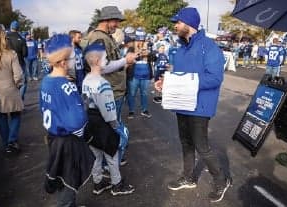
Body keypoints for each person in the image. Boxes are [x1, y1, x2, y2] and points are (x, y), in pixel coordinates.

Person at [155, 7, 231, 203]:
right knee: (186, 143)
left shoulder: (209, 46)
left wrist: (187, 82)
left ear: (188, 24)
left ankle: (222, 180)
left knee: (202, 146)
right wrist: (165, 82)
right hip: (182, 104)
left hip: (200, 106)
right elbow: (178, 76)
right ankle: (188, 177)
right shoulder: (180, 49)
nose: (175, 26)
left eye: (177, 22)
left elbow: (215, 78)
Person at [40, 34, 94, 207]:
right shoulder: (66, 86)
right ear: (63, 62)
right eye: (72, 57)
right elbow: (78, 121)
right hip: (67, 140)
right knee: (68, 178)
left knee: (63, 177)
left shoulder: (46, 81)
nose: (74, 60)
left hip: (53, 136)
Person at [86, 5, 137, 165]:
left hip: (114, 91)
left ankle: (113, 159)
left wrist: (124, 64)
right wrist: (125, 60)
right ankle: (109, 165)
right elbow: (102, 66)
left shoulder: (105, 37)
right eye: (116, 21)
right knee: (109, 131)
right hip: (110, 93)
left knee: (112, 130)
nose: (117, 25)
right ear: (107, 20)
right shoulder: (99, 38)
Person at [82, 40, 135, 196]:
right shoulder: (102, 83)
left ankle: (97, 183)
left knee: (96, 155)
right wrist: (115, 126)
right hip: (103, 123)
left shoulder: (86, 80)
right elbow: (109, 112)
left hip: (89, 122)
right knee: (112, 153)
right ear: (98, 61)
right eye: (105, 58)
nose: (107, 61)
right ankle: (117, 184)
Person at [127, 27, 153, 119]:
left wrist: (149, 54)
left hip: (145, 76)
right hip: (134, 76)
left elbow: (154, 57)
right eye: (139, 40)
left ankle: (144, 110)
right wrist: (139, 54)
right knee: (132, 94)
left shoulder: (148, 47)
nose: (141, 42)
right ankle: (131, 111)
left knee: (145, 93)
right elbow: (129, 59)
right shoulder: (131, 48)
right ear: (136, 39)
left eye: (142, 39)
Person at [7, 20, 28, 100]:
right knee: (23, 82)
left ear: (10, 27)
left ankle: (11, 103)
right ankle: (19, 100)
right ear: (18, 28)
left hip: (7, 64)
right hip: (20, 63)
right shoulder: (22, 39)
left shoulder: (5, 38)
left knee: (9, 83)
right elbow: (25, 54)